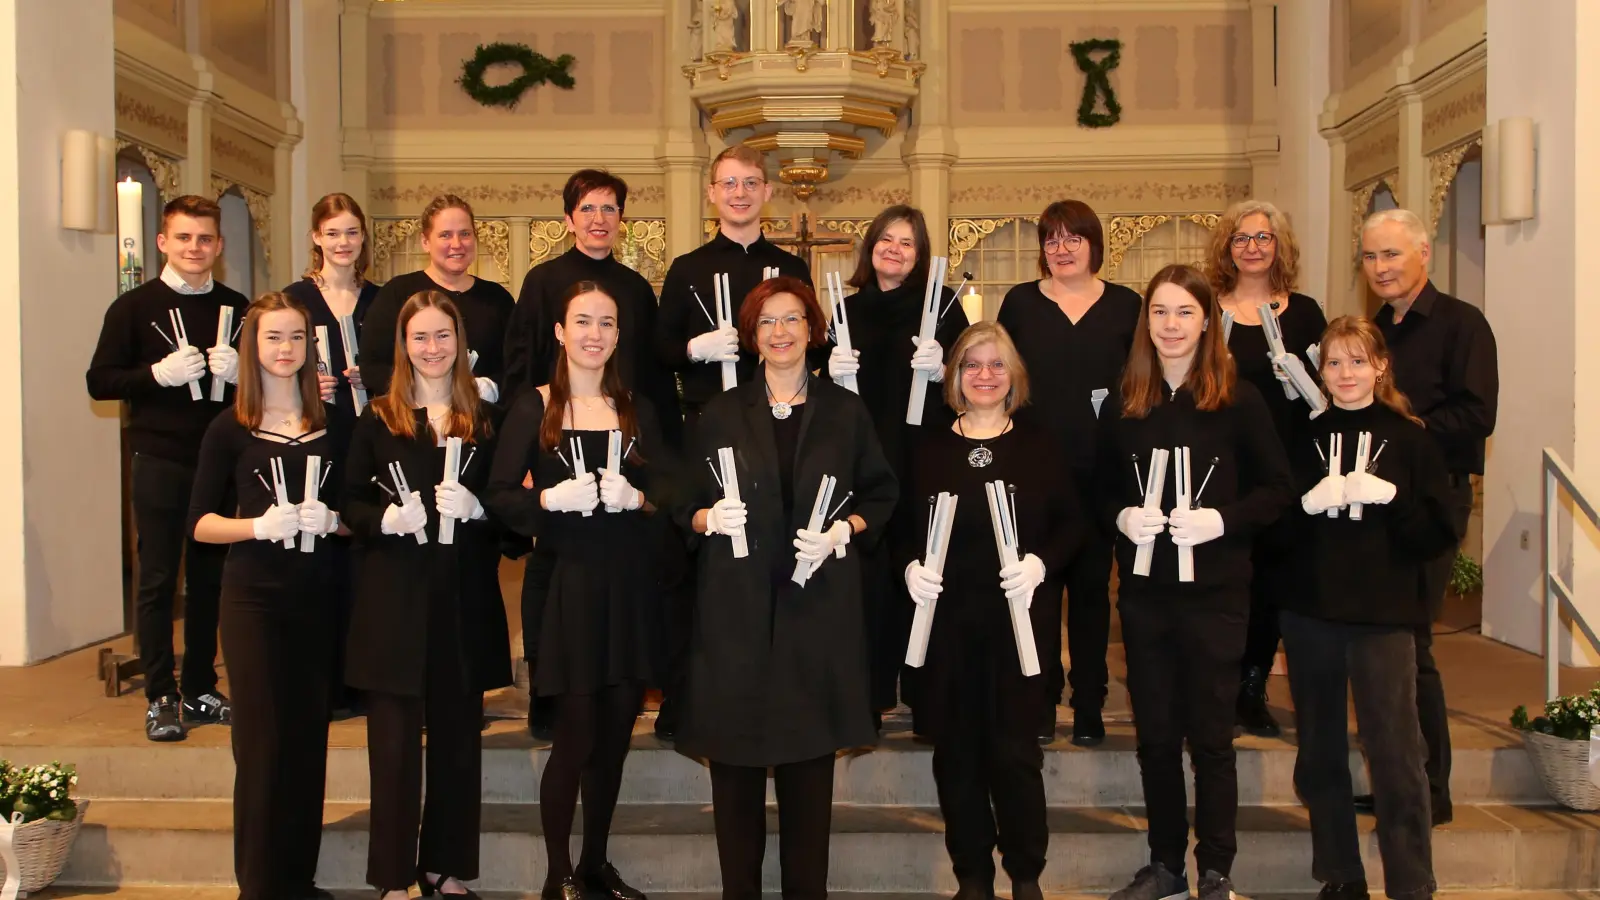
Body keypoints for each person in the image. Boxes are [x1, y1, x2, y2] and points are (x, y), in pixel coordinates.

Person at [677, 276, 897, 900]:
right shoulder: (719, 414)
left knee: (808, 783)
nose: (779, 332)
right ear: (750, 336)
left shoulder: (845, 411)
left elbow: (881, 494)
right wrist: (705, 518)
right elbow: (684, 504)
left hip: (817, 614)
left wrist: (842, 532)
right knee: (736, 783)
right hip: (736, 616)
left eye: (792, 319)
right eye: (767, 321)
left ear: (812, 330)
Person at [1096, 264, 1291, 900]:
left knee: (1210, 739)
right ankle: (1165, 865)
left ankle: (1214, 870)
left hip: (1216, 597)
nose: (1171, 325)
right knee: (1154, 738)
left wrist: (1221, 521)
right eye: (1160, 312)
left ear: (1207, 320)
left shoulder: (1238, 398)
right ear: (1144, 321)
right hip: (1148, 599)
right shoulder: (1128, 400)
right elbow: (1097, 490)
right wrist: (1123, 515)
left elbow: (1278, 492)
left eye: (1184, 312)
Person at [486, 282, 670, 900]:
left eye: (607, 323)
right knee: (575, 737)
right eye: (582, 322)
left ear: (619, 335)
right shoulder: (534, 406)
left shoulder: (636, 408)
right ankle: (557, 871)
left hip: (627, 589)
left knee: (616, 738)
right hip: (565, 586)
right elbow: (499, 495)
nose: (594, 333)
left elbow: (673, 498)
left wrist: (640, 499)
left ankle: (595, 863)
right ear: (561, 332)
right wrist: (544, 499)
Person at [900, 321, 1084, 900]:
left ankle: (1025, 873)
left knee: (1015, 756)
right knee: (956, 758)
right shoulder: (929, 445)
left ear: (1014, 377)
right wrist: (909, 567)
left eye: (996, 365)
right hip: (949, 626)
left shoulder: (1038, 443)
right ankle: (972, 876)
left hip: (1018, 625)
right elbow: (900, 527)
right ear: (954, 376)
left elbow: (1073, 525)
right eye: (972, 365)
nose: (984, 375)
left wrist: (1039, 564)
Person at [502, 169, 684, 740]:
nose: (600, 218)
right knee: (553, 573)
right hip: (556, 434)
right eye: (589, 208)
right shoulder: (541, 279)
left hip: (622, 431)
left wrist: (651, 474)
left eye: (610, 208)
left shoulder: (634, 286)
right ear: (569, 219)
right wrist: (536, 458)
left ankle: (623, 689)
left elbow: (652, 373)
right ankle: (547, 695)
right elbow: (522, 362)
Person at [342, 291, 510, 900]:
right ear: (404, 346)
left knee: (459, 747)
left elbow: (512, 517)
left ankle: (445, 865)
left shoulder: (484, 421)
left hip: (462, 604)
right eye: (421, 338)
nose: (433, 349)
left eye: (443, 336)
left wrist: (481, 508)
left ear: (461, 345)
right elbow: (348, 501)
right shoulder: (378, 419)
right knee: (391, 753)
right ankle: (392, 877)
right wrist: (381, 520)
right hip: (394, 605)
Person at [1285, 315, 1455, 900]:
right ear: (1320, 371)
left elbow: (1438, 533)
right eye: (1334, 362)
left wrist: (1395, 499)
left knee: (1396, 754)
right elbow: (1274, 533)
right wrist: (1304, 504)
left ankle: (1411, 881)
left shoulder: (1411, 439)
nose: (1346, 373)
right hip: (1312, 614)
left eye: (1358, 360)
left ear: (1380, 366)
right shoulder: (1301, 439)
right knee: (1320, 752)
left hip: (1384, 619)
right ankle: (1341, 873)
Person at [188, 292, 345, 900]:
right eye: (273, 338)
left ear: (311, 348)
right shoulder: (229, 427)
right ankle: (258, 886)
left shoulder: (332, 424)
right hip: (254, 599)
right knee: (260, 745)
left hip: (317, 597)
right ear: (252, 347)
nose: (286, 349)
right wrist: (257, 526)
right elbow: (199, 523)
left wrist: (332, 519)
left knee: (308, 740)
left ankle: (296, 881)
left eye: (297, 339)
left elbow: (356, 512)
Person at [653, 144, 811, 739]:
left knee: (772, 558)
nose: (739, 193)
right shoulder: (688, 268)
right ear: (712, 194)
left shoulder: (786, 269)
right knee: (709, 563)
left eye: (750, 183)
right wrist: (696, 348)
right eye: (728, 184)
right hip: (710, 428)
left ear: (767, 192)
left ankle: (777, 683)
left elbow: (808, 338)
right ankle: (690, 691)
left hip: (778, 428)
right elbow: (660, 348)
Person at [86, 194, 250, 741]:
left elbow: (272, 379)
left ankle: (201, 684)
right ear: (163, 242)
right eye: (183, 238)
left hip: (219, 460)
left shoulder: (238, 307)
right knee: (158, 579)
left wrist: (241, 374)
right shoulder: (131, 308)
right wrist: (155, 375)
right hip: (159, 456)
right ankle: (161, 693)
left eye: (205, 238)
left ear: (219, 246)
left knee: (210, 578)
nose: (195, 248)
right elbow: (100, 381)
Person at [1358, 207, 1497, 826]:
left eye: (1391, 254)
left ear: (1423, 255)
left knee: (1412, 644)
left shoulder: (1464, 325)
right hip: (1374, 504)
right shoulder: (1374, 332)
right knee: (1379, 644)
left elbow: (1475, 416)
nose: (1381, 268)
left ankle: (1429, 790)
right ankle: (1398, 780)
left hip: (1431, 502)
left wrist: (1406, 433)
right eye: (1370, 257)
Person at [995, 200, 1141, 746]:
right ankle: (1040, 694)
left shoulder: (1127, 306)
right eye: (1051, 240)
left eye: (1072, 238)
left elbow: (1141, 384)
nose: (1061, 249)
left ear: (1093, 243)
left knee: (1089, 592)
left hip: (1103, 473)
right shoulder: (1021, 303)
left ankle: (1089, 701)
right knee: (1034, 589)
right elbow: (1001, 378)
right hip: (1034, 471)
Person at [825, 204, 966, 727]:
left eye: (906, 242)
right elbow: (819, 393)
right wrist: (828, 370)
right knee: (869, 583)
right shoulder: (847, 310)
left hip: (924, 456)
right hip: (862, 461)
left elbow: (978, 380)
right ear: (870, 247)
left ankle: (929, 697)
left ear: (920, 253)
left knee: (925, 572)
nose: (894, 249)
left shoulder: (942, 306)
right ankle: (872, 695)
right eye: (885, 238)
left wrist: (945, 368)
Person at [1204, 199, 1327, 738]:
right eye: (1241, 238)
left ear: (1279, 246)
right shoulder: (1209, 309)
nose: (1252, 248)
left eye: (1263, 238)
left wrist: (1302, 382)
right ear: (1226, 248)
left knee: (1271, 583)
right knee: (1224, 580)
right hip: (1226, 467)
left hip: (1287, 465)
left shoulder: (1303, 313)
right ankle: (1217, 685)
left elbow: (1330, 392)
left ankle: (1252, 687)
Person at [283, 191, 382, 718]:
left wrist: (379, 376)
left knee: (366, 560)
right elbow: (273, 358)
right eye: (333, 232)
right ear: (317, 237)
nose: (343, 242)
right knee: (320, 559)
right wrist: (305, 382)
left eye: (352, 232)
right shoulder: (296, 298)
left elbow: (405, 367)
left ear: (363, 238)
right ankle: (322, 682)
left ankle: (364, 677)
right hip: (319, 438)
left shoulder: (380, 300)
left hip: (370, 440)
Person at [359, 194, 515, 401]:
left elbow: (515, 368)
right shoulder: (397, 293)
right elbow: (373, 367)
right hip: (414, 421)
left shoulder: (498, 299)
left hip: (485, 422)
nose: (457, 243)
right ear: (425, 241)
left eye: (465, 234)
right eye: (445, 235)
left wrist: (486, 390)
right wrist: (426, 393)